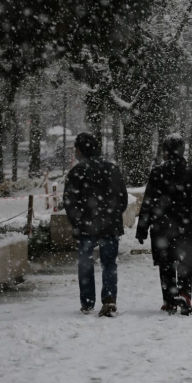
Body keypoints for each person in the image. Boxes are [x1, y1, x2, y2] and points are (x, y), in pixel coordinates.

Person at [136, 134, 192, 315]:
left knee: (166, 264)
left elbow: (148, 202)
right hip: (188, 225)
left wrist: (142, 229)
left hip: (163, 227)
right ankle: (185, 295)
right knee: (185, 263)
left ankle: (169, 299)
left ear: (166, 151)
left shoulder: (157, 173)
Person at [64, 132, 128, 317]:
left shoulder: (76, 173)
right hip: (110, 224)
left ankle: (87, 301)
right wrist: (113, 215)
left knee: (85, 264)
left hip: (85, 226)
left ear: (81, 150)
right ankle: (109, 298)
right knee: (109, 264)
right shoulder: (112, 169)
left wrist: (77, 221)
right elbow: (122, 198)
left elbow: (69, 202)